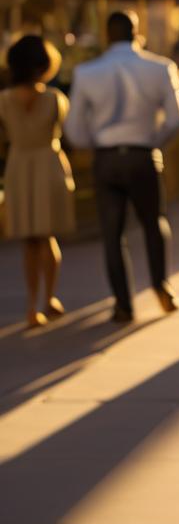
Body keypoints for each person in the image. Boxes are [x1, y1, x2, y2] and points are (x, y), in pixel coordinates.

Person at [64, 10, 179, 322]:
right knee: (154, 222)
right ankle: (162, 285)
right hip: (143, 154)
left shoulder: (87, 72)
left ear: (107, 34)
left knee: (112, 232)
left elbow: (74, 128)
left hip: (106, 158)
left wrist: (97, 145)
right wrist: (153, 142)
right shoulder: (160, 68)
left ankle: (123, 304)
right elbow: (177, 118)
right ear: (136, 33)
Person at [0, 36, 76, 328]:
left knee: (29, 240)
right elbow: (70, 133)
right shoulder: (55, 99)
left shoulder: (4, 100)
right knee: (46, 237)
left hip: (19, 166)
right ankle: (49, 297)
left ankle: (32, 305)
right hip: (48, 165)